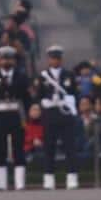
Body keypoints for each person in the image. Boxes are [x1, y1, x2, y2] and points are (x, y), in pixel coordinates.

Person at [35, 45, 79, 190]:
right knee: (49, 147)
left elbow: (74, 94)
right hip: (50, 115)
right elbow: (39, 95)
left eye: (57, 58)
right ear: (49, 59)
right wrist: (44, 102)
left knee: (69, 147)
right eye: (53, 58)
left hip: (65, 114)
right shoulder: (43, 76)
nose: (55, 61)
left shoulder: (69, 75)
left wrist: (68, 102)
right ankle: (49, 178)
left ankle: (72, 176)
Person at [0, 46, 30, 191]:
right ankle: (2, 183)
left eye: (9, 58)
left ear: (14, 61)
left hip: (16, 114)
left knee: (19, 147)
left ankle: (20, 183)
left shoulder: (21, 76)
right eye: (3, 58)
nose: (6, 61)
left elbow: (25, 96)